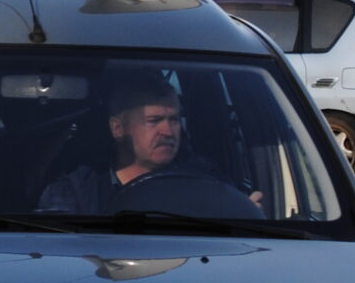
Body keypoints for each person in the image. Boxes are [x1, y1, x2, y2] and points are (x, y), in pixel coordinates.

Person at [38, 71, 260, 216]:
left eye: (174, 119)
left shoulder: (207, 182)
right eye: (154, 121)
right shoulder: (75, 192)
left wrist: (245, 214)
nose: (168, 131)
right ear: (118, 128)